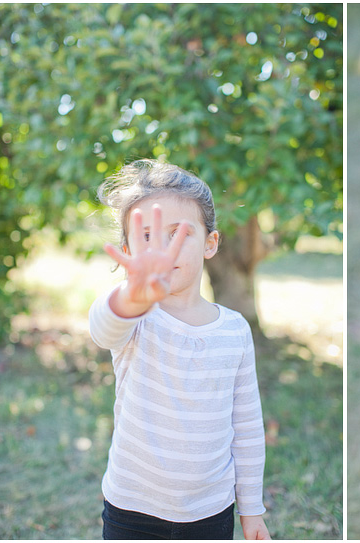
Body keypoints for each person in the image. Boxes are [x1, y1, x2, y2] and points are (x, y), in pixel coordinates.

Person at [89, 159, 271, 540]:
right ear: (127, 251)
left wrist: (251, 509)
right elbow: (103, 329)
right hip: (132, 507)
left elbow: (247, 427)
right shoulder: (135, 318)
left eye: (177, 234)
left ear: (210, 243)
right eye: (147, 238)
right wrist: (131, 297)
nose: (162, 251)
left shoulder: (235, 331)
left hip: (210, 511)